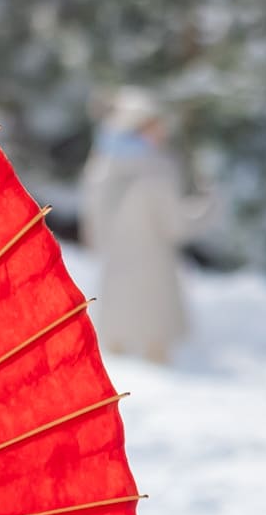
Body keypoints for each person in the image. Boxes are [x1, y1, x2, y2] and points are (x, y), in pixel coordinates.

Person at [81, 89, 207, 364]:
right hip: (154, 274)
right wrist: (210, 206)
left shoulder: (101, 167)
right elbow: (177, 226)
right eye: (153, 126)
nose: (161, 132)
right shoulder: (157, 169)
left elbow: (93, 229)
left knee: (116, 362)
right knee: (156, 354)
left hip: (115, 275)